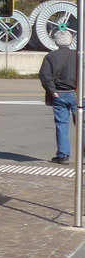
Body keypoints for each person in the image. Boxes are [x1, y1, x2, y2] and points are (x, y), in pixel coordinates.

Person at [38, 29, 78, 164]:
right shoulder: (78, 55)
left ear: (55, 42)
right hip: (76, 93)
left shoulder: (50, 57)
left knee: (62, 125)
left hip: (59, 94)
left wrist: (52, 91)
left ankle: (63, 155)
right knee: (82, 124)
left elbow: (45, 76)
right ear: (71, 41)